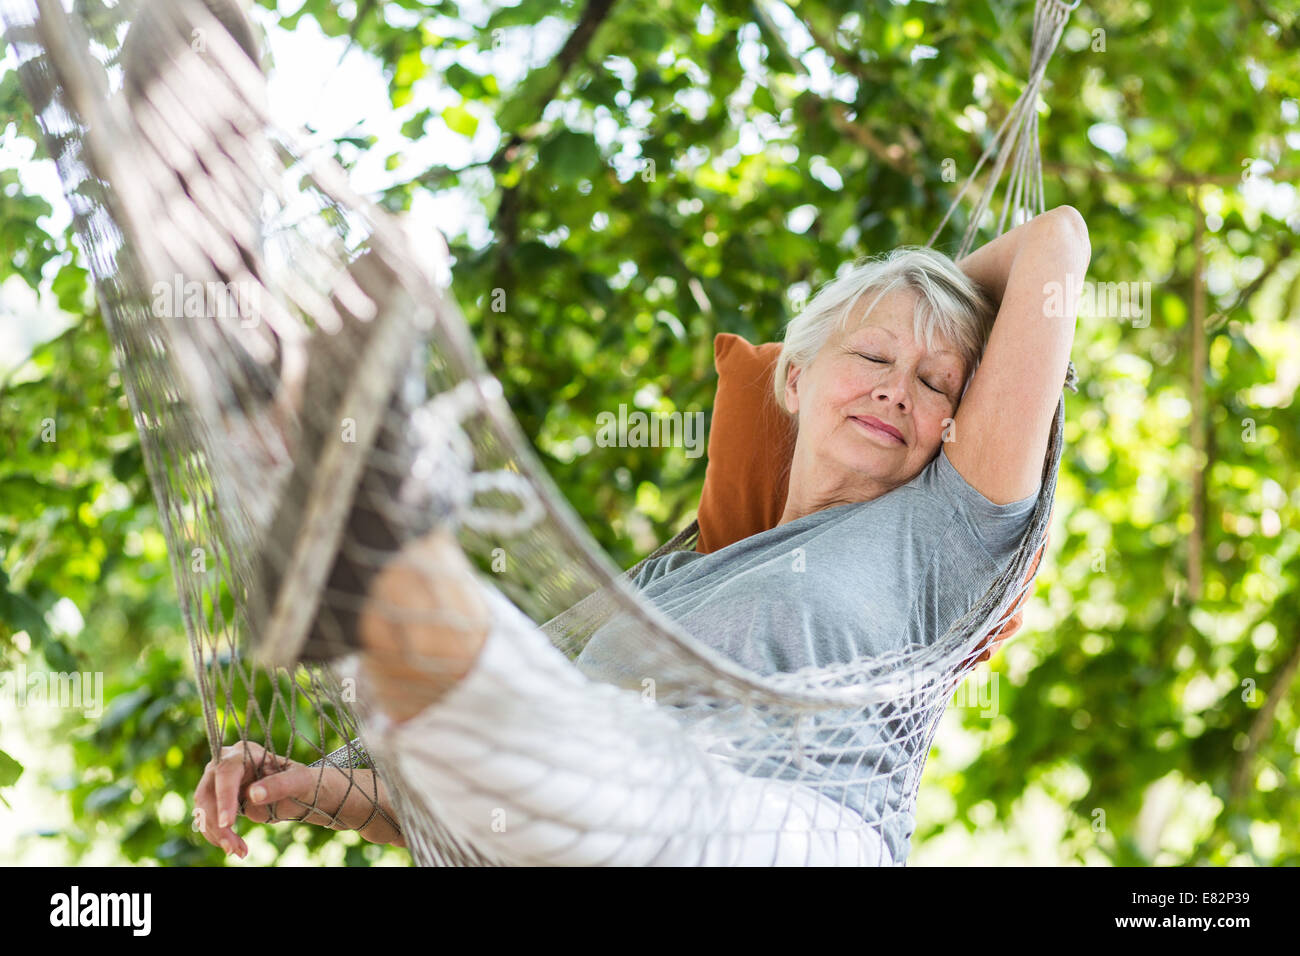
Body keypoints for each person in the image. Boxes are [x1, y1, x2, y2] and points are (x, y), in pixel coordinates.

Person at [196, 203, 1090, 864]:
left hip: (801, 834)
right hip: (581, 821)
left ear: (957, 422)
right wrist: (319, 789)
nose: (900, 389)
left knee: (617, 773)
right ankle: (310, 478)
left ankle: (348, 512)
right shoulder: (661, 587)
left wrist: (906, 299)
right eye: (871, 357)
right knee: (548, 740)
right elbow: (504, 792)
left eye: (938, 383)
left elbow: (1059, 241)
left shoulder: (943, 536)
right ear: (793, 379)